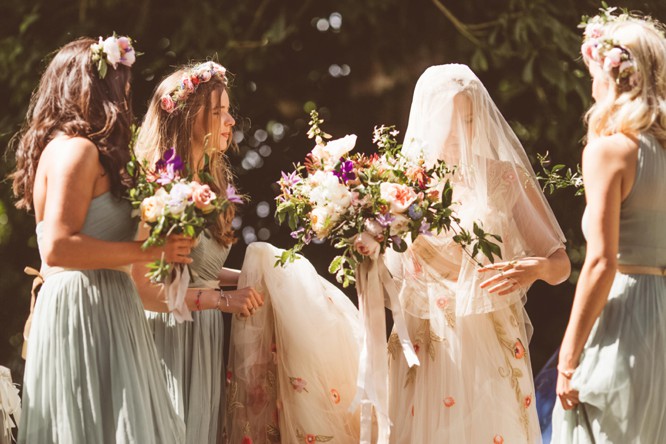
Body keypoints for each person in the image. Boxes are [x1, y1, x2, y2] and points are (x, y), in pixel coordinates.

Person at [11, 36, 189, 443]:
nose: (126, 93)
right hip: (88, 306)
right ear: (97, 87)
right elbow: (56, 246)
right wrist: (151, 250)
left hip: (103, 302)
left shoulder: (65, 149)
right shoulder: (77, 151)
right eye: (120, 82)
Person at [385, 64, 570, 443]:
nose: (457, 134)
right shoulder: (398, 189)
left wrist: (534, 269)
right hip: (426, 344)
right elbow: (388, 271)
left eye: (467, 121)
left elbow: (561, 265)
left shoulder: (504, 179)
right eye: (448, 122)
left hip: (490, 346)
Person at [133, 61, 263, 444]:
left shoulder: (210, 186)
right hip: (166, 334)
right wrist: (224, 300)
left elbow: (196, 269)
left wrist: (257, 280)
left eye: (228, 111)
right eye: (218, 112)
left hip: (202, 334)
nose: (230, 121)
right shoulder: (157, 189)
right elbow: (150, 290)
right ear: (189, 117)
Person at [552, 11, 666, 443]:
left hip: (625, 315)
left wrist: (568, 357)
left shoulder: (611, 151)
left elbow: (601, 262)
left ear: (612, 75)